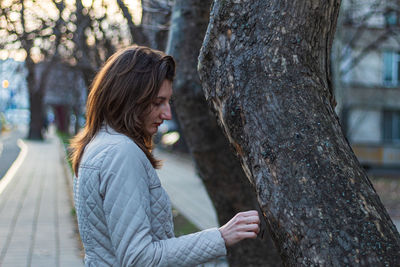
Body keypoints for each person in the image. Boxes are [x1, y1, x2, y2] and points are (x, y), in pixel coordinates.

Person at [70, 45, 260, 266]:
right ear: (129, 98)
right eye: (158, 102)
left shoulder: (98, 144)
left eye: (169, 102)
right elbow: (139, 259)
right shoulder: (120, 153)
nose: (167, 114)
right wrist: (220, 236)